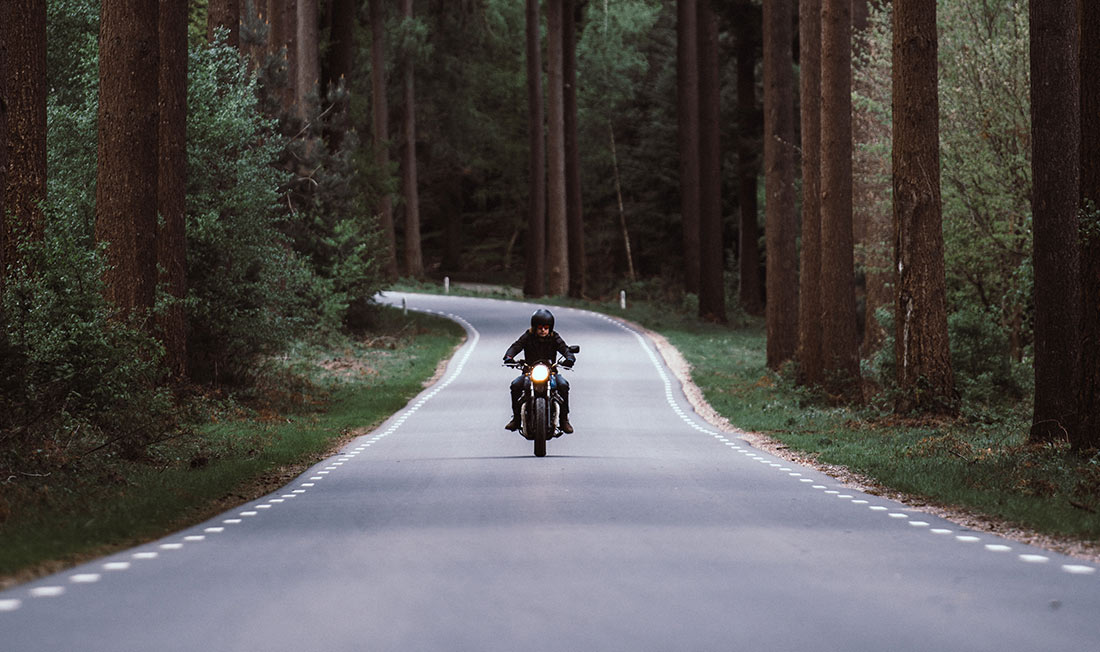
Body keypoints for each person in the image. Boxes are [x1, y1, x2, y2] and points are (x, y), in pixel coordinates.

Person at [503, 309, 576, 433]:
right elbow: (516, 346)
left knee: (563, 385)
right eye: (540, 327)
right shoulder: (528, 336)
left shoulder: (554, 337)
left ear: (550, 328)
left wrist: (570, 358)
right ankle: (516, 419)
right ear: (535, 327)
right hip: (529, 372)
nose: (543, 330)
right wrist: (509, 357)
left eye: (546, 328)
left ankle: (564, 420)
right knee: (515, 385)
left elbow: (564, 348)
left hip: (551, 372)